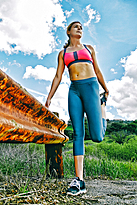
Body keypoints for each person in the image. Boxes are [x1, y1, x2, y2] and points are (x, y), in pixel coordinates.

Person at [45, 21, 109, 196]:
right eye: (76, 26)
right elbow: (58, 75)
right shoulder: (63, 53)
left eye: (81, 27)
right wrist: (49, 96)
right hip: (74, 90)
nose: (80, 28)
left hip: (91, 87)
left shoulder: (89, 49)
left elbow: (97, 69)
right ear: (69, 31)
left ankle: (102, 108)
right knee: (77, 133)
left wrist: (106, 89)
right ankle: (79, 180)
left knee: (97, 136)